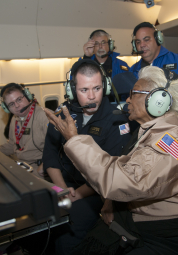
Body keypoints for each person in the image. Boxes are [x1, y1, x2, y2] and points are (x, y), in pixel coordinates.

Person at [45, 66, 178, 255]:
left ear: (157, 100)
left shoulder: (170, 140)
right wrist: (111, 202)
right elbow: (128, 167)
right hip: (150, 214)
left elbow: (126, 180)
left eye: (133, 93)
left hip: (177, 227)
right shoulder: (152, 129)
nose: (128, 100)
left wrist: (74, 141)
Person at [42, 59, 131, 254]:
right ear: (73, 91)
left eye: (97, 88)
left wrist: (77, 195)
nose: (92, 96)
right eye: (84, 90)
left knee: (68, 226)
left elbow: (111, 171)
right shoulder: (63, 114)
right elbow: (49, 153)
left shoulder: (117, 121)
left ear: (105, 87)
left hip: (97, 191)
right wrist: (62, 189)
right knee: (40, 219)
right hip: (63, 186)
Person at [0, 83, 48, 178]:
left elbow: (59, 147)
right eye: (11, 104)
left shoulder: (44, 116)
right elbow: (12, 145)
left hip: (40, 168)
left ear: (28, 96)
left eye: (19, 99)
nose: (16, 106)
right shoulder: (14, 119)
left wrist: (46, 164)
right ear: (7, 108)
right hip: (23, 166)